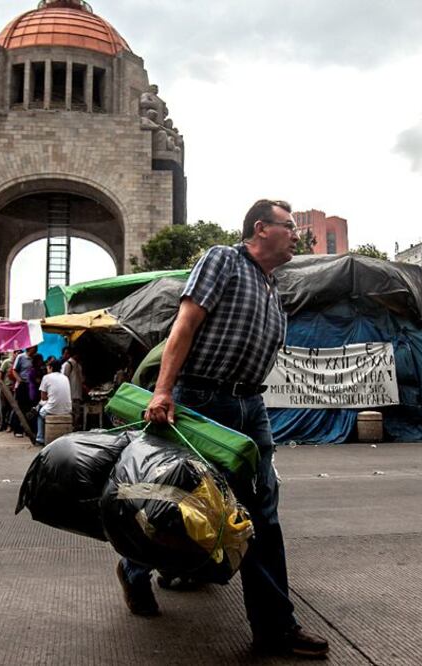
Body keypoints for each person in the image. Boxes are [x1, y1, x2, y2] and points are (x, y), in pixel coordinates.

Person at [123, 199, 329, 659]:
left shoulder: (273, 288)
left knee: (261, 515)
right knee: (171, 503)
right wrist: (162, 392)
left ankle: (276, 627)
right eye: (289, 227)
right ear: (261, 228)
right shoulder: (224, 259)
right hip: (201, 399)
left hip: (249, 406)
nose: (296, 235)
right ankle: (134, 569)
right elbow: (185, 326)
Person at [35, 358, 71, 445]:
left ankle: (40, 437)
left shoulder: (46, 377)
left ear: (50, 368)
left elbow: (43, 397)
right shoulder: (65, 377)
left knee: (40, 412)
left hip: (53, 409)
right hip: (67, 409)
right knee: (44, 407)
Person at [10, 345, 40, 438]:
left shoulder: (36, 358)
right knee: (20, 408)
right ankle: (17, 429)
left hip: (32, 386)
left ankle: (28, 429)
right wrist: (19, 380)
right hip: (23, 385)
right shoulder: (21, 357)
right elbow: (14, 370)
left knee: (30, 408)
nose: (36, 349)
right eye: (34, 347)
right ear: (29, 348)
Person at [62, 348, 85, 428]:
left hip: (74, 394)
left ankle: (73, 428)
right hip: (72, 394)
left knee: (75, 414)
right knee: (73, 414)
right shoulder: (69, 365)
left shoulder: (76, 365)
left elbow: (81, 380)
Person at [0, 350, 18, 433]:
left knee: (12, 408)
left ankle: (9, 425)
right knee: (3, 407)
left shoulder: (18, 362)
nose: (17, 354)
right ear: (13, 353)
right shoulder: (7, 362)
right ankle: (2, 424)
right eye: (16, 352)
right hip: (5, 387)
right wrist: (1, 385)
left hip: (14, 388)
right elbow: (0, 374)